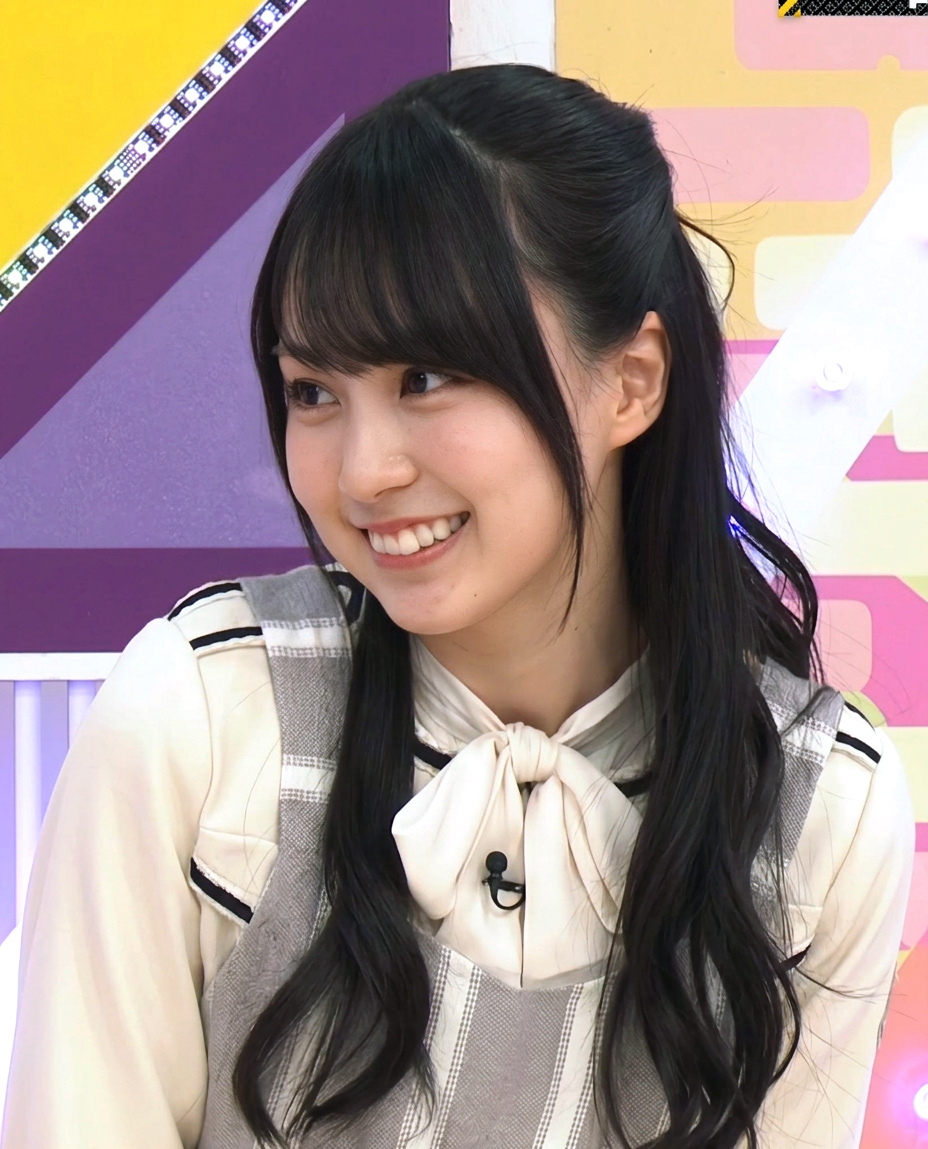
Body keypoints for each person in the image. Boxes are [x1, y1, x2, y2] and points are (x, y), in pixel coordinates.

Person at [1, 65, 914, 1149]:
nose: (363, 470)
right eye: (312, 392)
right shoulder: (200, 718)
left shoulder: (820, 807)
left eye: (426, 377)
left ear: (631, 381)